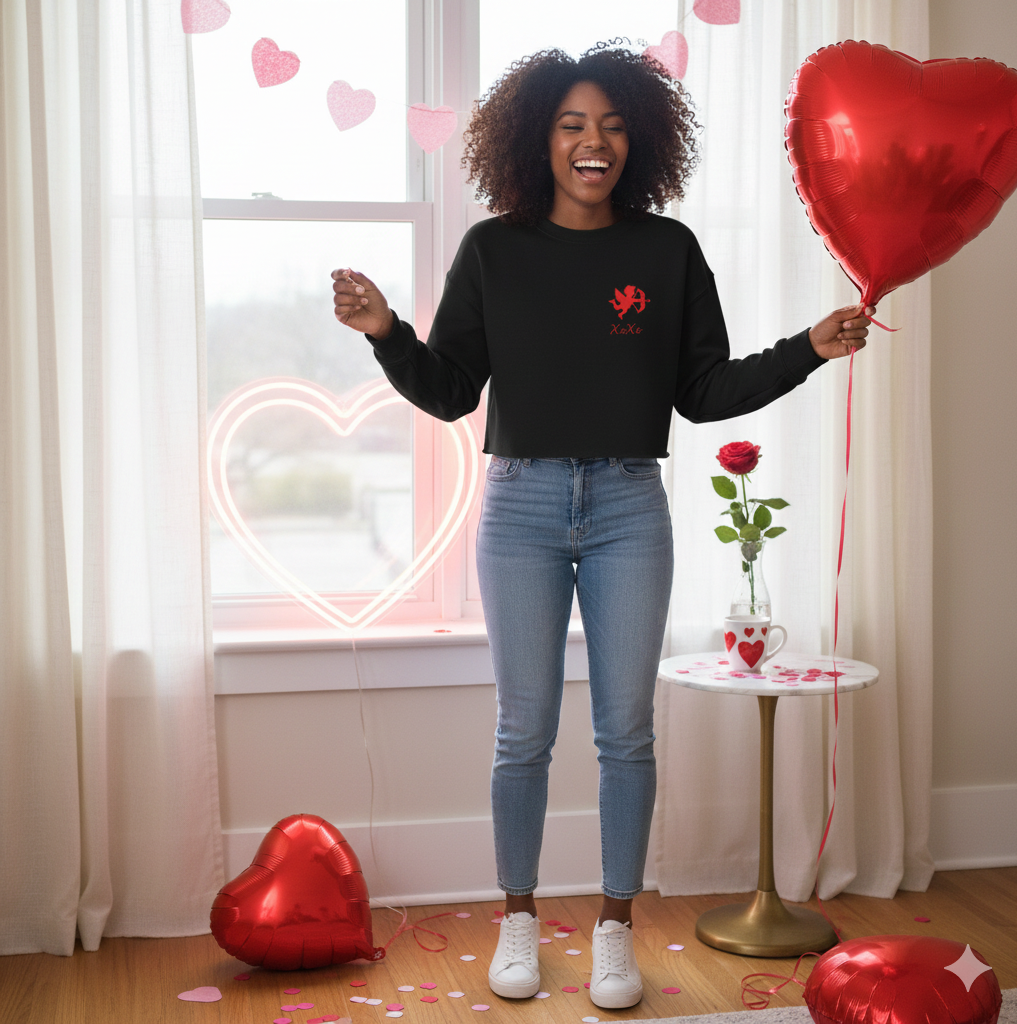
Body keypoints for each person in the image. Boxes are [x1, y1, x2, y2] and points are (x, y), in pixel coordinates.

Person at [331, 42, 872, 1011]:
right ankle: (519, 921)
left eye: (614, 126)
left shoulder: (667, 250)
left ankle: (615, 931)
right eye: (573, 124)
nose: (595, 142)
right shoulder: (493, 250)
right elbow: (451, 390)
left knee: (626, 732)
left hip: (628, 504)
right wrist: (387, 334)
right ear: (537, 140)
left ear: (641, 141)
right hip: (521, 505)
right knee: (523, 731)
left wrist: (807, 349)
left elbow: (704, 392)